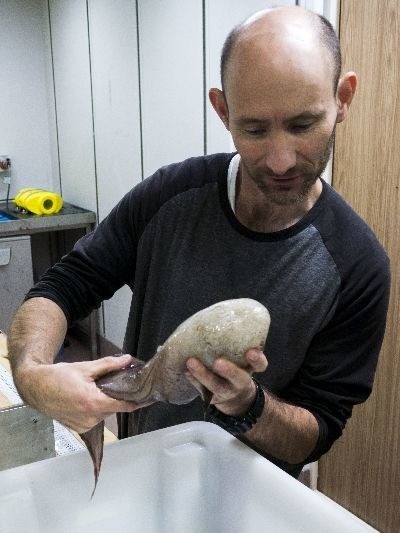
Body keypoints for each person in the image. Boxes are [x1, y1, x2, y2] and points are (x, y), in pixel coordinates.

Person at [8, 6, 390, 477]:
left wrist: (249, 405)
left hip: (256, 499)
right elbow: (63, 287)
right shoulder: (170, 198)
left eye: (302, 125)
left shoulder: (358, 265)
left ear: (342, 98)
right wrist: (32, 376)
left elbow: (319, 428)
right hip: (142, 469)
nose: (280, 159)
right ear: (223, 111)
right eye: (254, 129)